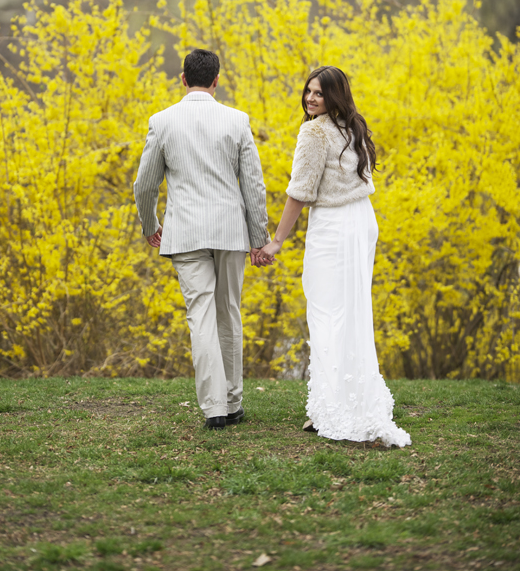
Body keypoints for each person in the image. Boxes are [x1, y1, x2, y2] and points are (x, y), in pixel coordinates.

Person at [259, 67, 410, 447]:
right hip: (361, 221)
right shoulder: (353, 126)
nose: (311, 99)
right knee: (353, 311)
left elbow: (300, 191)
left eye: (319, 94)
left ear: (334, 97)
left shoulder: (313, 132)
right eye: (308, 92)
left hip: (334, 227)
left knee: (327, 313)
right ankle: (345, 398)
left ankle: (332, 407)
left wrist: (277, 240)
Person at [133, 49, 271, 429]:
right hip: (230, 231)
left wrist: (150, 225)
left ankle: (214, 409)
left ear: (182, 78)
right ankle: (233, 401)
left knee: (201, 317)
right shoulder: (237, 120)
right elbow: (254, 185)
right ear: (216, 80)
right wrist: (259, 237)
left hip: (186, 233)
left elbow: (145, 185)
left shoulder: (161, 122)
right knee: (229, 313)